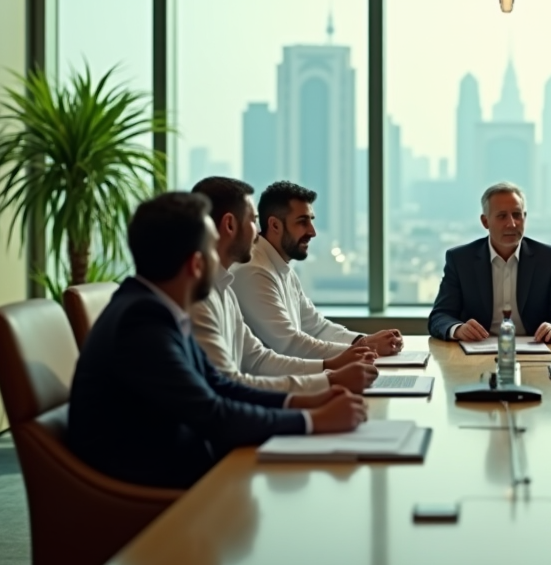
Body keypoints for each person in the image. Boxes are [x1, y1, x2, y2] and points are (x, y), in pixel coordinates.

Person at [68, 192, 367, 490]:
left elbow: (221, 386)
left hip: (186, 464)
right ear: (196, 264)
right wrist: (311, 421)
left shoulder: (157, 308)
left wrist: (306, 401)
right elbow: (213, 414)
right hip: (155, 488)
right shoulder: (142, 322)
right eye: (212, 249)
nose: (221, 261)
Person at [190, 177, 378, 395]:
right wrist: (331, 377)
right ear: (230, 224)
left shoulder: (226, 287)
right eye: (253, 221)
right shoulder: (240, 276)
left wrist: (338, 364)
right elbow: (234, 382)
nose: (256, 233)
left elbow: (260, 358)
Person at [232, 181, 403, 360]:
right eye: (302, 222)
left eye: (311, 221)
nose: (312, 232)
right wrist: (366, 347)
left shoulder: (281, 265)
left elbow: (316, 327)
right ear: (275, 225)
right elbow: (290, 344)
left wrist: (364, 340)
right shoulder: (253, 271)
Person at [428, 182, 551, 342]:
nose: (512, 223)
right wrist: (458, 329)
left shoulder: (549, 259)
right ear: (485, 221)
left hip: (536, 351)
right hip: (477, 354)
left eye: (517, 214)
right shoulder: (461, 260)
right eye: (502, 216)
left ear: (525, 217)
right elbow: (440, 316)